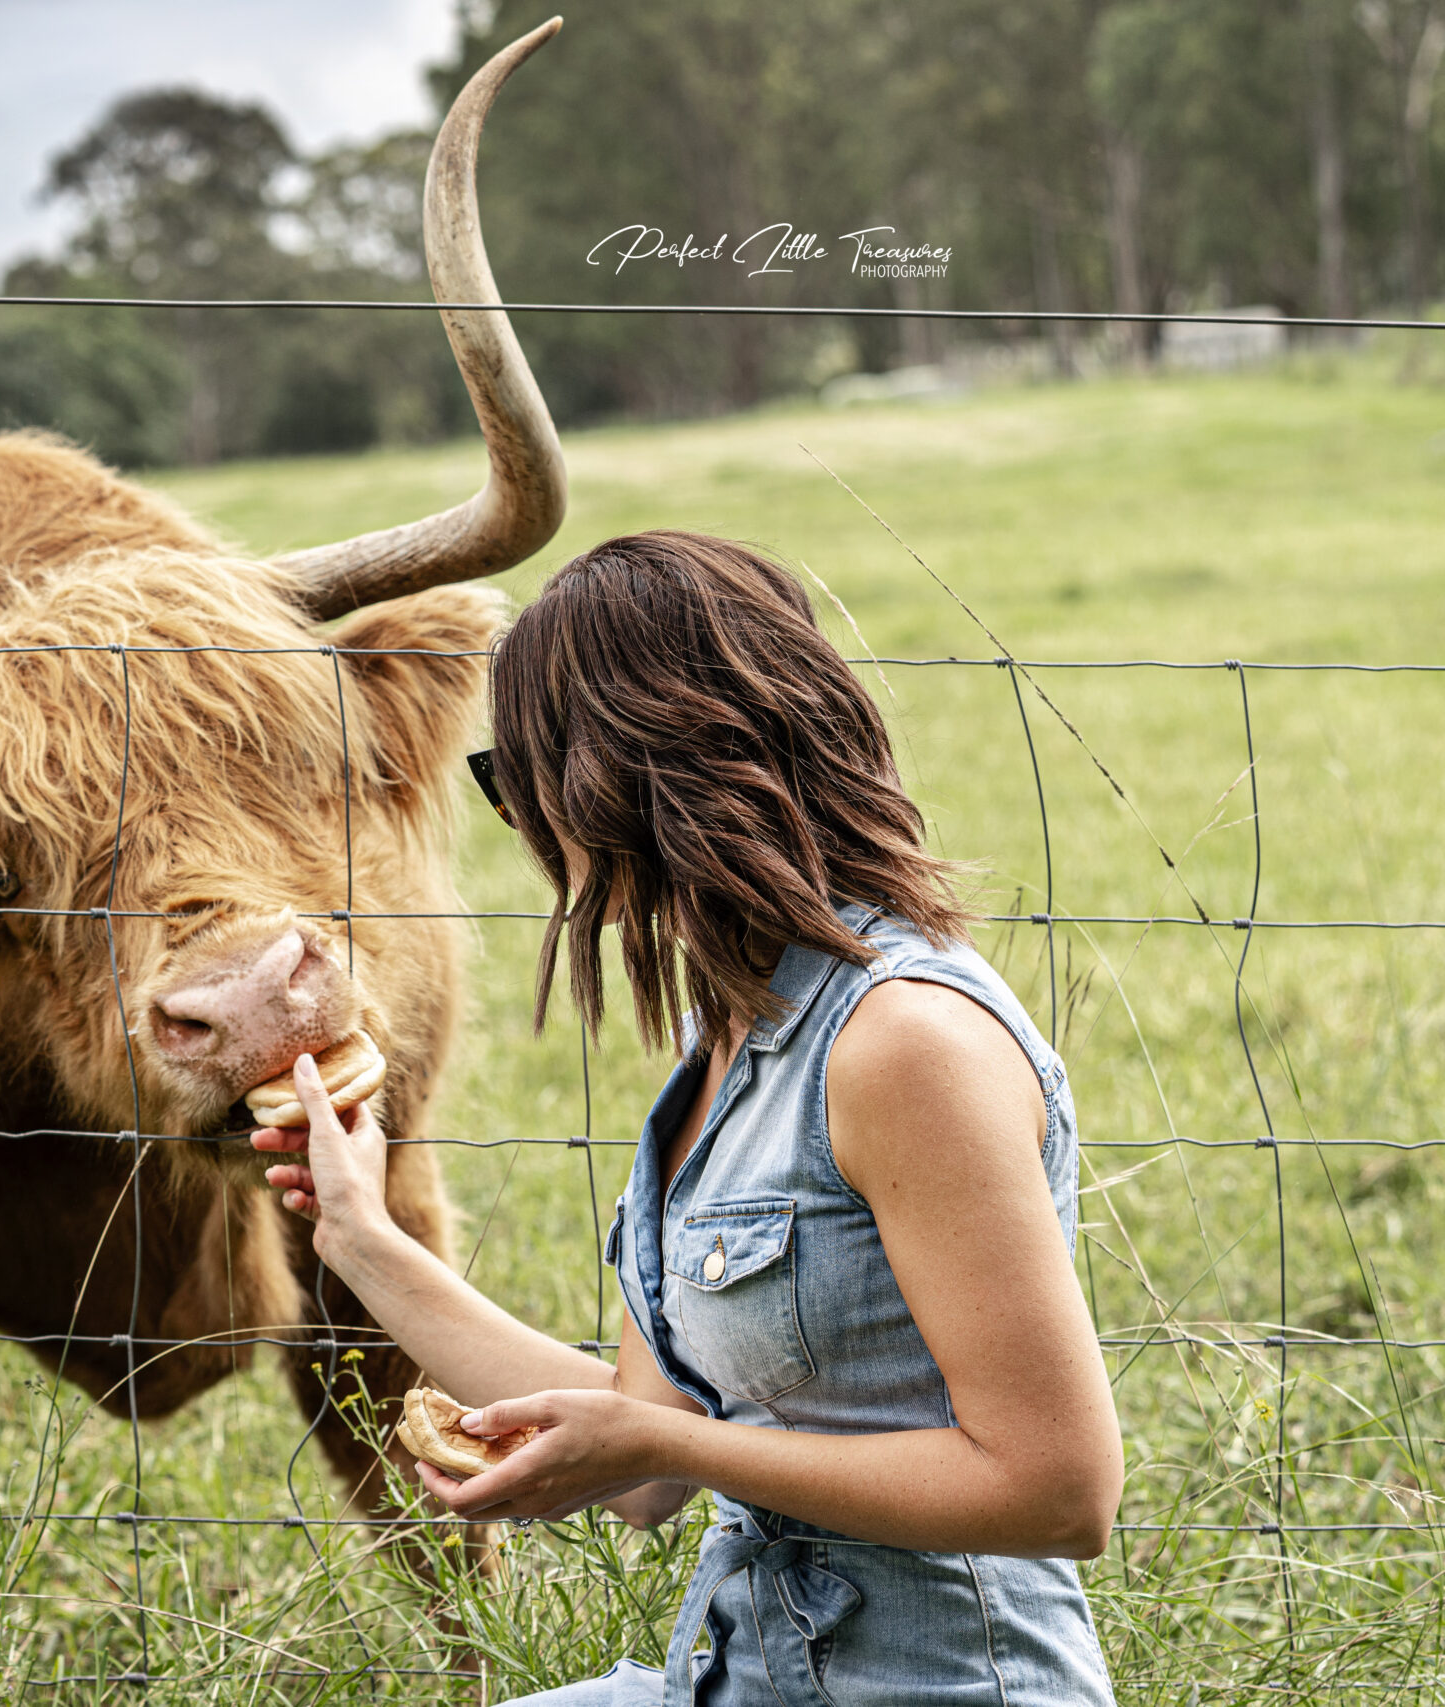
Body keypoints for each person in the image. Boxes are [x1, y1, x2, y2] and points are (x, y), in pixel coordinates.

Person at [253, 532, 1121, 1704]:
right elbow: (638, 1459)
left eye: (514, 781)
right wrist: (360, 1237)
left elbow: (1057, 1492)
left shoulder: (904, 1048)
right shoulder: (730, 1041)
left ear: (619, 778)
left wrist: (668, 1447)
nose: (524, 830)